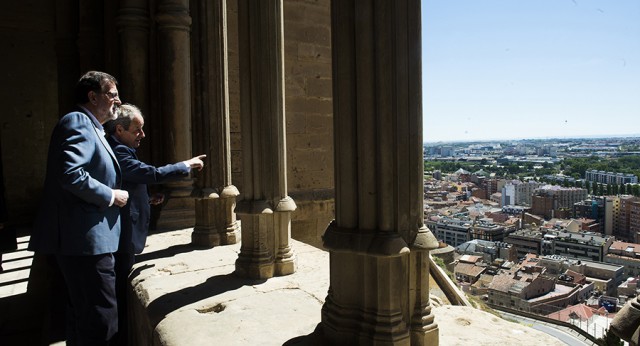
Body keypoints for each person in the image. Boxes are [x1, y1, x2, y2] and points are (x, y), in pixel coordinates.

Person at [28, 71, 129, 346]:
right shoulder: (78, 121)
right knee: (100, 319)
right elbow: (71, 173)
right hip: (85, 244)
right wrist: (111, 195)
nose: (118, 101)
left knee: (84, 317)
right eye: (112, 94)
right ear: (92, 96)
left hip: (84, 242)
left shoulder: (94, 127)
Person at [104, 103, 205, 345]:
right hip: (121, 235)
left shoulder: (120, 147)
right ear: (119, 129)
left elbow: (127, 183)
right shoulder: (117, 151)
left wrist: (147, 199)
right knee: (116, 292)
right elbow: (150, 173)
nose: (143, 135)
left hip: (125, 228)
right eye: (137, 130)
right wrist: (185, 165)